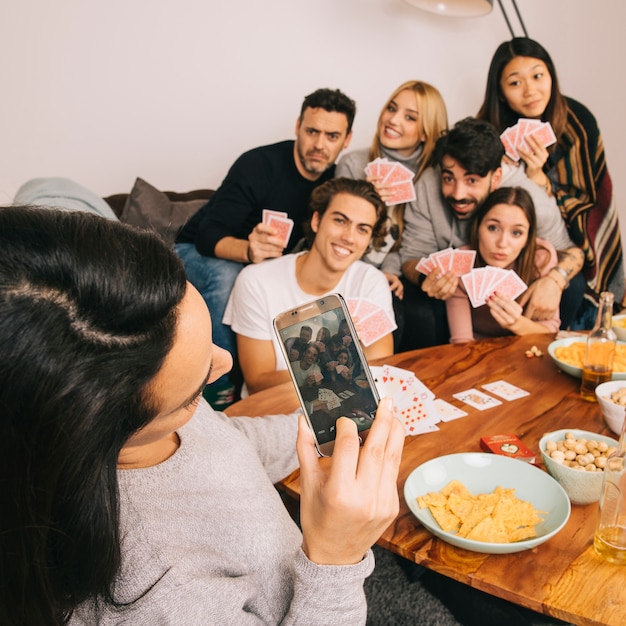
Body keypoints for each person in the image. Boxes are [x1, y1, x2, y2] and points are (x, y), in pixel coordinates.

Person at [0, 205, 404, 625]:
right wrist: (335, 558)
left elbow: (226, 440)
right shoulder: (154, 595)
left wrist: (335, 428)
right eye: (195, 394)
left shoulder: (153, 417)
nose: (225, 362)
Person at [174, 88, 356, 386]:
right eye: (312, 131)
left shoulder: (338, 181)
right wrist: (248, 251)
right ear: (298, 127)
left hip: (267, 267)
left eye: (332, 136)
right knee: (228, 276)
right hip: (196, 252)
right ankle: (218, 389)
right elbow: (207, 236)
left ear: (347, 139)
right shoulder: (258, 165)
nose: (319, 144)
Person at [398, 117, 585, 350]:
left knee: (574, 283)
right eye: (449, 178)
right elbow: (410, 256)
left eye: (472, 180)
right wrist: (427, 278)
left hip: (524, 292)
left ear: (495, 178)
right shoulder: (427, 185)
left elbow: (573, 252)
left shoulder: (528, 201)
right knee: (418, 303)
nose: (458, 193)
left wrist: (555, 281)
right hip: (455, 292)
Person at [476, 37, 624, 328]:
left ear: (552, 77)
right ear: (502, 93)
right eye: (515, 83)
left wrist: (540, 180)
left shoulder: (578, 122)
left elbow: (589, 200)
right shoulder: (490, 134)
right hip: (513, 243)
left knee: (576, 286)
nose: (531, 90)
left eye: (538, 76)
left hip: (572, 243)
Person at [224, 177, 395, 395]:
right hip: (274, 410)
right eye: (340, 221)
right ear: (316, 221)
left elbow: (377, 374)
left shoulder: (371, 283)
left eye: (362, 229)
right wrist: (332, 368)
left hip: (346, 411)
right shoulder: (256, 281)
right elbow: (259, 382)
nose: (349, 237)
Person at [336, 80, 449, 303]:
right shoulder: (353, 164)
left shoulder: (430, 178)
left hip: (393, 272)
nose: (393, 120)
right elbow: (336, 231)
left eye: (410, 117)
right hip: (346, 268)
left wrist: (389, 272)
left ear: (426, 132)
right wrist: (368, 200)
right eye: (391, 108)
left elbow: (409, 244)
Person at [447, 186, 560, 343]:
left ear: (528, 238)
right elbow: (462, 341)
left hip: (525, 348)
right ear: (477, 228)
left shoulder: (541, 258)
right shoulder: (461, 263)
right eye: (493, 228)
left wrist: (517, 323)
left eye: (516, 233)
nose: (502, 243)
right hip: (476, 350)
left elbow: (550, 334)